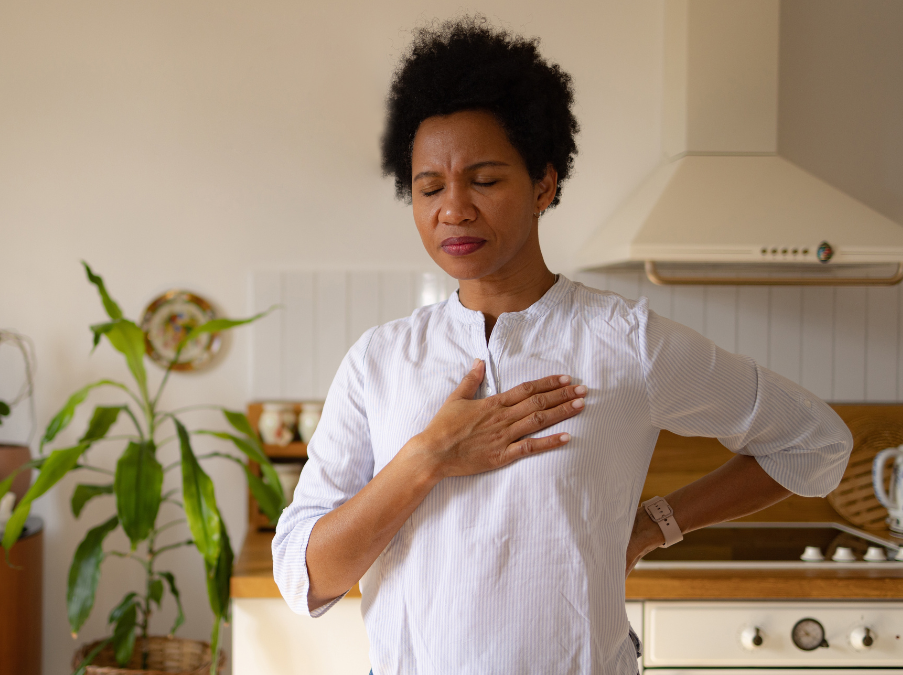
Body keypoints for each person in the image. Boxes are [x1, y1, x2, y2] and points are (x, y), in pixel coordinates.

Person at [271, 16, 854, 674]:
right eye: (430, 187)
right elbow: (305, 576)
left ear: (544, 184)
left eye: (485, 180)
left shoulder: (624, 341)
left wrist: (656, 522)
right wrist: (427, 457)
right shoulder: (379, 360)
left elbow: (814, 443)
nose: (454, 209)